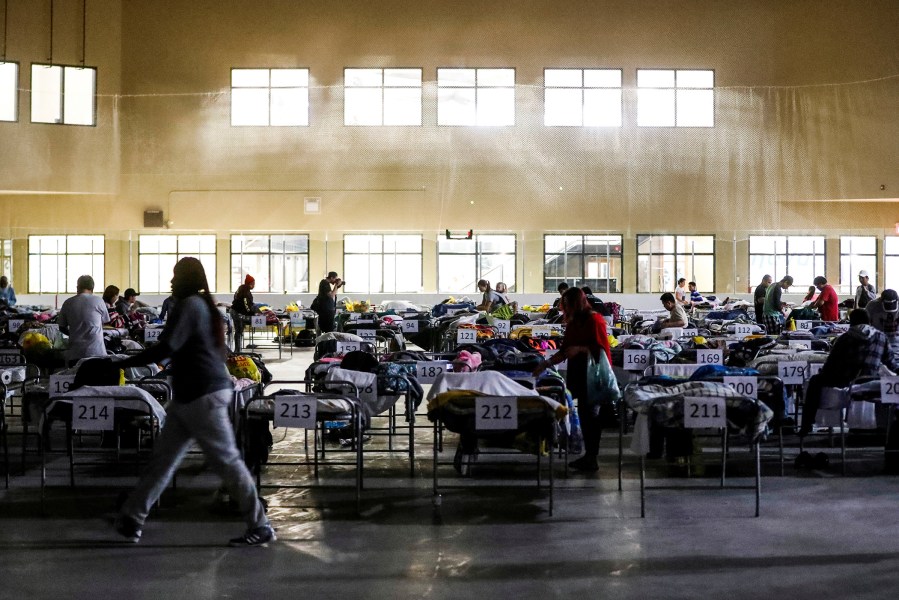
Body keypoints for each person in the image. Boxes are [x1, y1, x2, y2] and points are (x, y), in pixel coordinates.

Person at [113, 257, 275, 547]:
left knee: (227, 462)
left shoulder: (190, 306)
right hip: (189, 395)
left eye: (176, 276)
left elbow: (166, 347)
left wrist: (123, 363)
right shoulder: (201, 305)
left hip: (203, 394)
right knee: (163, 460)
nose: (171, 281)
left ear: (187, 279)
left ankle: (260, 525)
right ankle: (133, 518)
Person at [532, 287, 611, 472]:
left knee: (591, 416)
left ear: (577, 303)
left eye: (568, 304)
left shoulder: (595, 320)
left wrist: (580, 349)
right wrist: (546, 364)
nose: (565, 308)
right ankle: (589, 456)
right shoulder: (574, 322)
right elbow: (565, 350)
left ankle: (592, 457)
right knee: (584, 414)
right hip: (578, 373)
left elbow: (602, 350)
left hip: (593, 375)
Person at [799, 309, 899, 436]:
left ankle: (806, 425)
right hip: (870, 379)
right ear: (869, 321)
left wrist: (823, 373)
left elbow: (831, 363)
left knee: (815, 381)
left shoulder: (845, 338)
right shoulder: (881, 337)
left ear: (851, 322)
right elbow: (891, 364)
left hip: (846, 380)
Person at [57, 275, 110, 365]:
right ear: (92, 288)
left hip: (75, 354)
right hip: (97, 353)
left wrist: (75, 333)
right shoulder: (99, 301)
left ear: (78, 287)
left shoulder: (68, 302)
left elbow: (61, 327)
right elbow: (105, 321)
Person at [231, 274, 256, 351]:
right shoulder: (245, 291)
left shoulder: (241, 289)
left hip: (235, 311)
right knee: (238, 331)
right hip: (237, 312)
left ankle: (238, 350)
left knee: (238, 331)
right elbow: (246, 303)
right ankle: (237, 351)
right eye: (253, 283)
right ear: (250, 283)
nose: (254, 285)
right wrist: (250, 313)